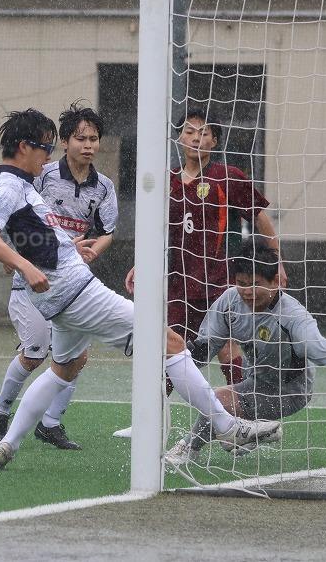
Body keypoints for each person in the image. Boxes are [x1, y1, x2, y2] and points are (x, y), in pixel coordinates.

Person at [0, 109, 282, 470]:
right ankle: (227, 427)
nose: (48, 156)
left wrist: (65, 247)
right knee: (170, 343)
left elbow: (31, 235)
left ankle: (7, 445)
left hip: (63, 293)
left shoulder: (26, 183)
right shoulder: (9, 185)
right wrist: (26, 267)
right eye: (45, 147)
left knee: (64, 368)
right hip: (75, 291)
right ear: (24, 147)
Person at [115, 108, 286, 439]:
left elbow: (260, 217)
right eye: (190, 131)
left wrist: (276, 261)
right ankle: (148, 420)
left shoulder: (228, 176)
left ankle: (249, 418)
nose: (196, 137)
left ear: (214, 140)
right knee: (167, 348)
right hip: (179, 283)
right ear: (180, 137)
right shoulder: (168, 180)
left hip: (219, 280)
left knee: (227, 347)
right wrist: (141, 263)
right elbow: (158, 230)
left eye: (204, 132)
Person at [165, 237, 326, 466]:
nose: (247, 291)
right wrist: (185, 358)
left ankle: (188, 449)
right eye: (241, 283)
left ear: (274, 282)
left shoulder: (292, 316)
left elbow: (317, 345)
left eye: (255, 284)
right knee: (227, 428)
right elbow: (207, 345)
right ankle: (255, 431)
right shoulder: (230, 301)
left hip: (288, 391)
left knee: (220, 399)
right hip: (253, 381)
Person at [0, 102, 118, 451]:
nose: (88, 145)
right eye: (80, 138)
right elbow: (3, 220)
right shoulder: (36, 176)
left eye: (94, 139)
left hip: (70, 280)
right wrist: (14, 256)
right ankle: (0, 411)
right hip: (32, 279)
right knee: (35, 352)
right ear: (64, 142)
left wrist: (89, 251)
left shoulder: (103, 186)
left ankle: (50, 423)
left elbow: (107, 232)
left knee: (76, 358)